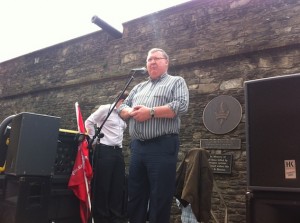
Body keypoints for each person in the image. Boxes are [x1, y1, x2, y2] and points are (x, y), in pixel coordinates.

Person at [118, 48, 189, 223]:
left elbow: (181, 106)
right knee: (135, 195)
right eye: (149, 59)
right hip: (138, 147)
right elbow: (121, 106)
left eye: (157, 58)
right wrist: (128, 111)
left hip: (162, 146)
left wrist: (150, 112)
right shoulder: (138, 87)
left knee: (160, 197)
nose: (152, 62)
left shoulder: (176, 82)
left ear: (166, 62)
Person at [85, 91, 129, 223]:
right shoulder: (105, 109)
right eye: (125, 102)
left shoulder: (123, 115)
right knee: (103, 185)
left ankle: (115, 216)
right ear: (119, 100)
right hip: (105, 149)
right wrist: (93, 141)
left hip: (118, 152)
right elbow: (89, 122)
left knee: (118, 184)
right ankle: (101, 217)